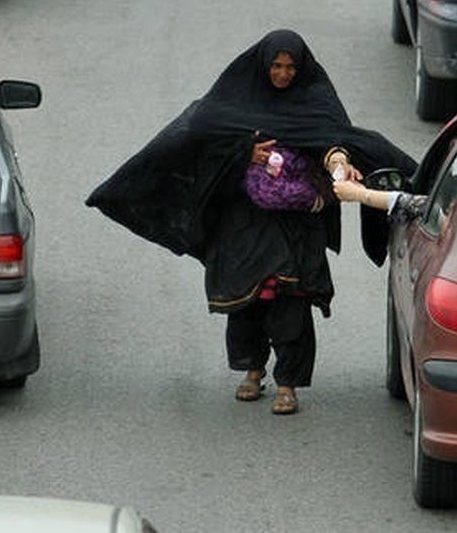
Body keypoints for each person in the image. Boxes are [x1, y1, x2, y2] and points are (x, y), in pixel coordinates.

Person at [86, 29, 415, 416]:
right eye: (275, 66)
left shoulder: (315, 98)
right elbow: (196, 139)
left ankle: (288, 383)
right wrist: (243, 153)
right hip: (242, 224)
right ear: (262, 67)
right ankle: (253, 370)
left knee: (291, 305)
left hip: (296, 224)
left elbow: (332, 138)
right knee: (246, 303)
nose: (283, 75)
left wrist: (338, 162)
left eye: (291, 67)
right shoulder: (230, 102)